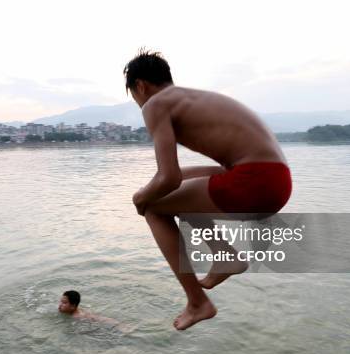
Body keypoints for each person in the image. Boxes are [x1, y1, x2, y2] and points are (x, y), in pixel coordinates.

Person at [124, 49, 292, 330]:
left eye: (136, 97)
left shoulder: (155, 104)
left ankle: (198, 302)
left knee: (154, 209)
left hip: (254, 181)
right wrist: (154, 189)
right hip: (276, 180)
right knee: (173, 197)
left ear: (140, 86)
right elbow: (179, 179)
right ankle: (225, 257)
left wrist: (140, 197)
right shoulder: (192, 98)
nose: (139, 104)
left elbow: (168, 177)